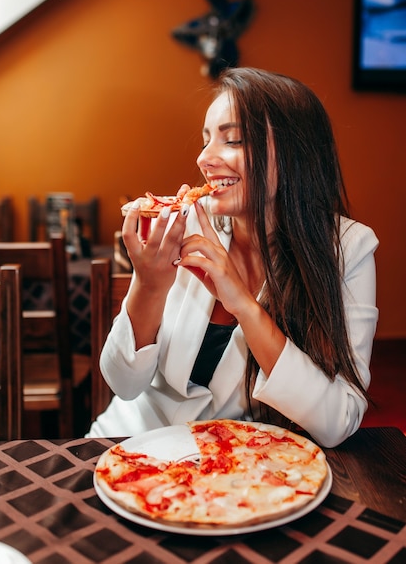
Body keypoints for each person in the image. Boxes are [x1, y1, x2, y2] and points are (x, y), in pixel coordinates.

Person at [87, 67, 378, 448]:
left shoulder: (347, 250)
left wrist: (242, 303)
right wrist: (149, 284)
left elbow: (338, 420)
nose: (204, 158)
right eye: (207, 140)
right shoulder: (187, 221)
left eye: (234, 140)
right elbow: (123, 385)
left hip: (237, 468)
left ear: (295, 154)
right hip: (131, 442)